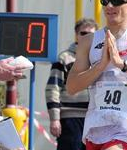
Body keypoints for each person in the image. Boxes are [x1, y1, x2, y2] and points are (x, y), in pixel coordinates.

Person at [66, 0, 127, 150]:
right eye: (105, 1)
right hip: (97, 128)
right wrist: (99, 67)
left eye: (117, 0)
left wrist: (121, 64)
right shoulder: (89, 41)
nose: (110, 6)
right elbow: (71, 88)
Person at [45, 18, 98, 150]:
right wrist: (54, 119)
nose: (87, 37)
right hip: (70, 119)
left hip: (95, 119)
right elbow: (53, 88)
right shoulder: (64, 58)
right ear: (76, 34)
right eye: (83, 33)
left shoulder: (100, 58)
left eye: (91, 34)